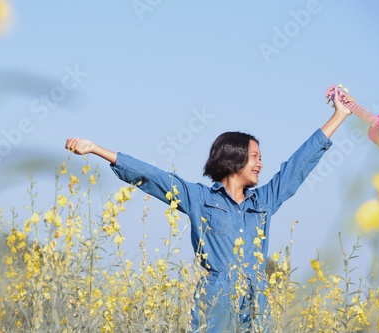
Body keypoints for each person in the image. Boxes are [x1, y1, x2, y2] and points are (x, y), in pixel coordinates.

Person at [64, 86, 353, 332]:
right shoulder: (199, 198)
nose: (260, 164)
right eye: (254, 156)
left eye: (261, 158)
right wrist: (97, 150)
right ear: (234, 158)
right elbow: (153, 176)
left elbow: (297, 166)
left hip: (256, 299)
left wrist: (338, 115)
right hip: (216, 298)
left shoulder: (264, 201)